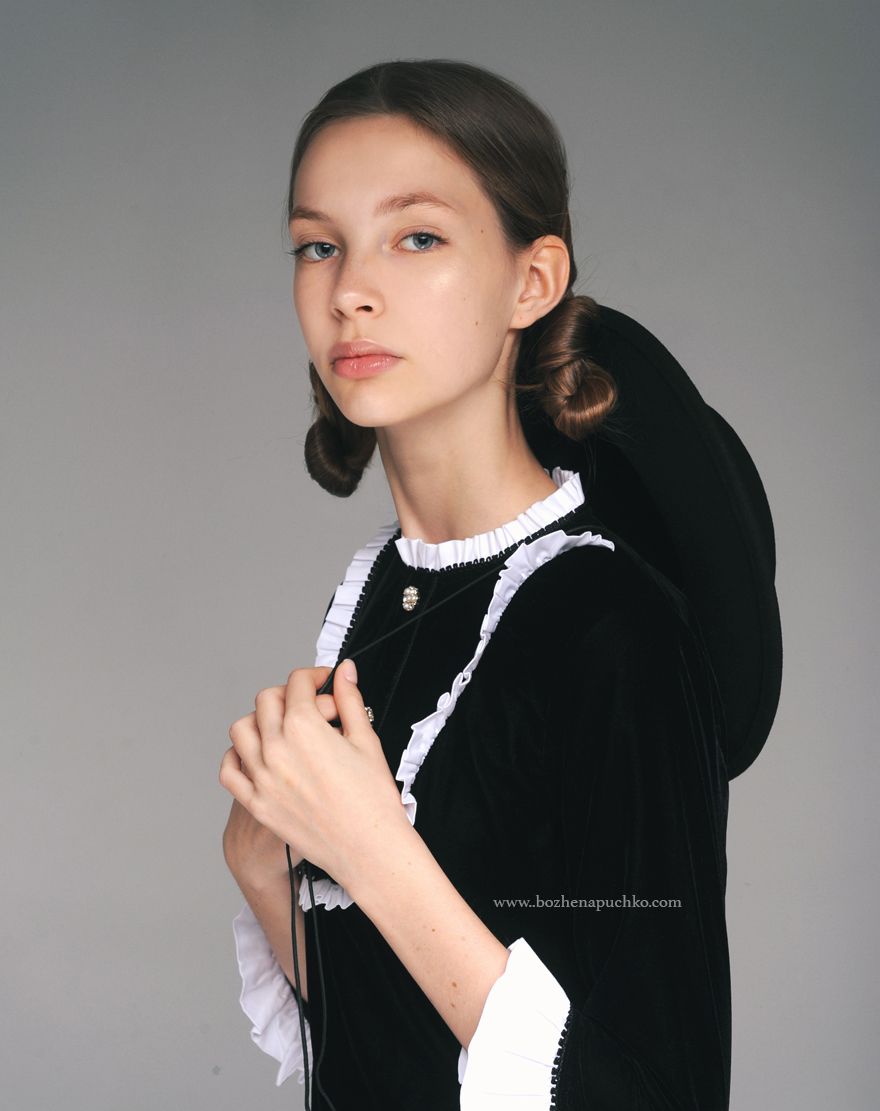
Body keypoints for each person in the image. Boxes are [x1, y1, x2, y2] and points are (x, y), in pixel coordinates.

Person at [219, 59, 781, 1110]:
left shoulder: (608, 625)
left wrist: (371, 852)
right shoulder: (384, 595)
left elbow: (658, 1092)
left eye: (416, 237)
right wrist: (265, 872)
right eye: (319, 245)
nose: (350, 290)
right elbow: (396, 1055)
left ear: (533, 280)